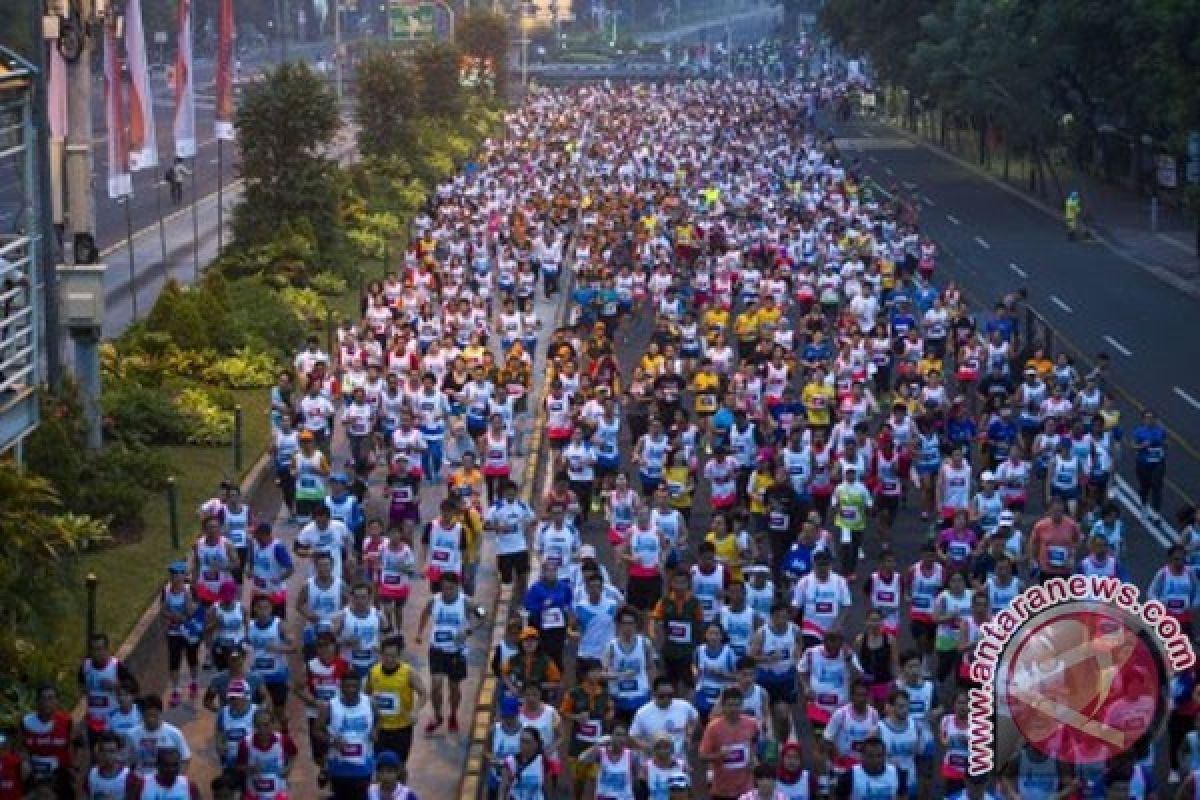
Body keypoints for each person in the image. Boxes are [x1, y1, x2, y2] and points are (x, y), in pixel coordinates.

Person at [415, 572, 477, 734]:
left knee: (454, 688)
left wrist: (468, 631)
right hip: (437, 649)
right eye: (444, 589)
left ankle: (453, 714)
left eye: (450, 588)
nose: (447, 592)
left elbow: (482, 615)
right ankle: (437, 715)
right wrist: (420, 633)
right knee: (435, 685)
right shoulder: (434, 601)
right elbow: (424, 613)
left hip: (456, 651)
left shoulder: (466, 602)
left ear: (457, 587)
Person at [366, 636, 427, 768]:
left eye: (393, 656)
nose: (389, 659)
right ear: (381, 654)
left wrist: (415, 711)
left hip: (401, 728)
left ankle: (402, 788)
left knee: (399, 766)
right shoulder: (374, 672)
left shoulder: (407, 672)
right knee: (379, 766)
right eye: (386, 655)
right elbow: (366, 696)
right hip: (380, 728)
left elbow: (423, 693)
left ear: (399, 655)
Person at [320, 671, 376, 800]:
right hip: (339, 767)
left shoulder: (370, 703)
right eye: (347, 686)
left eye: (354, 686)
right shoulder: (331, 705)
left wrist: (375, 730)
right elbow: (317, 729)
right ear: (341, 687)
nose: (351, 690)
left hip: (363, 766)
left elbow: (378, 720)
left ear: (359, 687)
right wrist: (332, 740)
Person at [699, 687, 760, 800]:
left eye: (737, 705)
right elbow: (702, 756)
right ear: (723, 706)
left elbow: (755, 742)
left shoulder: (751, 724)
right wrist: (718, 756)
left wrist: (753, 757)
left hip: (746, 789)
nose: (734, 709)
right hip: (722, 790)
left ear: (742, 705)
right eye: (730, 705)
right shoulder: (713, 728)